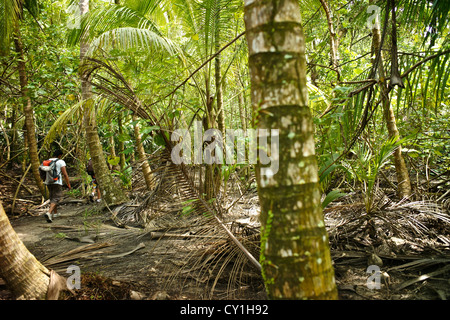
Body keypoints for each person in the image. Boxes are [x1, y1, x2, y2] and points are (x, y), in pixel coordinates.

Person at [44, 150, 71, 223]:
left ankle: (55, 213)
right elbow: (65, 174)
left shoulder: (47, 161)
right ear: (59, 155)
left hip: (48, 181)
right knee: (56, 197)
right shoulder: (60, 161)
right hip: (57, 182)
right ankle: (49, 213)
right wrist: (68, 184)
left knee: (52, 197)